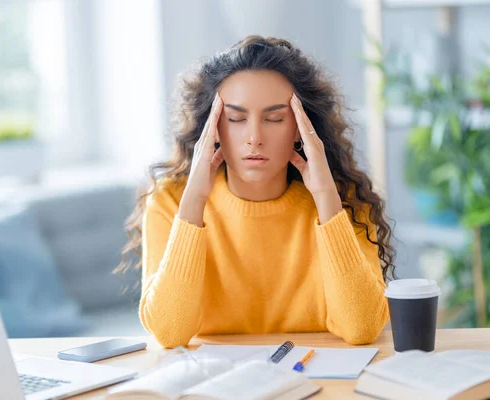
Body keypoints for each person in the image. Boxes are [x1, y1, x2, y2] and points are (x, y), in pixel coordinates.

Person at [117, 36, 395, 348]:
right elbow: (169, 333)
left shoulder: (344, 200)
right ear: (213, 126)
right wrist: (194, 202)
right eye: (235, 118)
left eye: (275, 118)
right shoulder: (170, 201)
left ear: (302, 129)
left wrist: (327, 200)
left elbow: (362, 327)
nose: (254, 138)